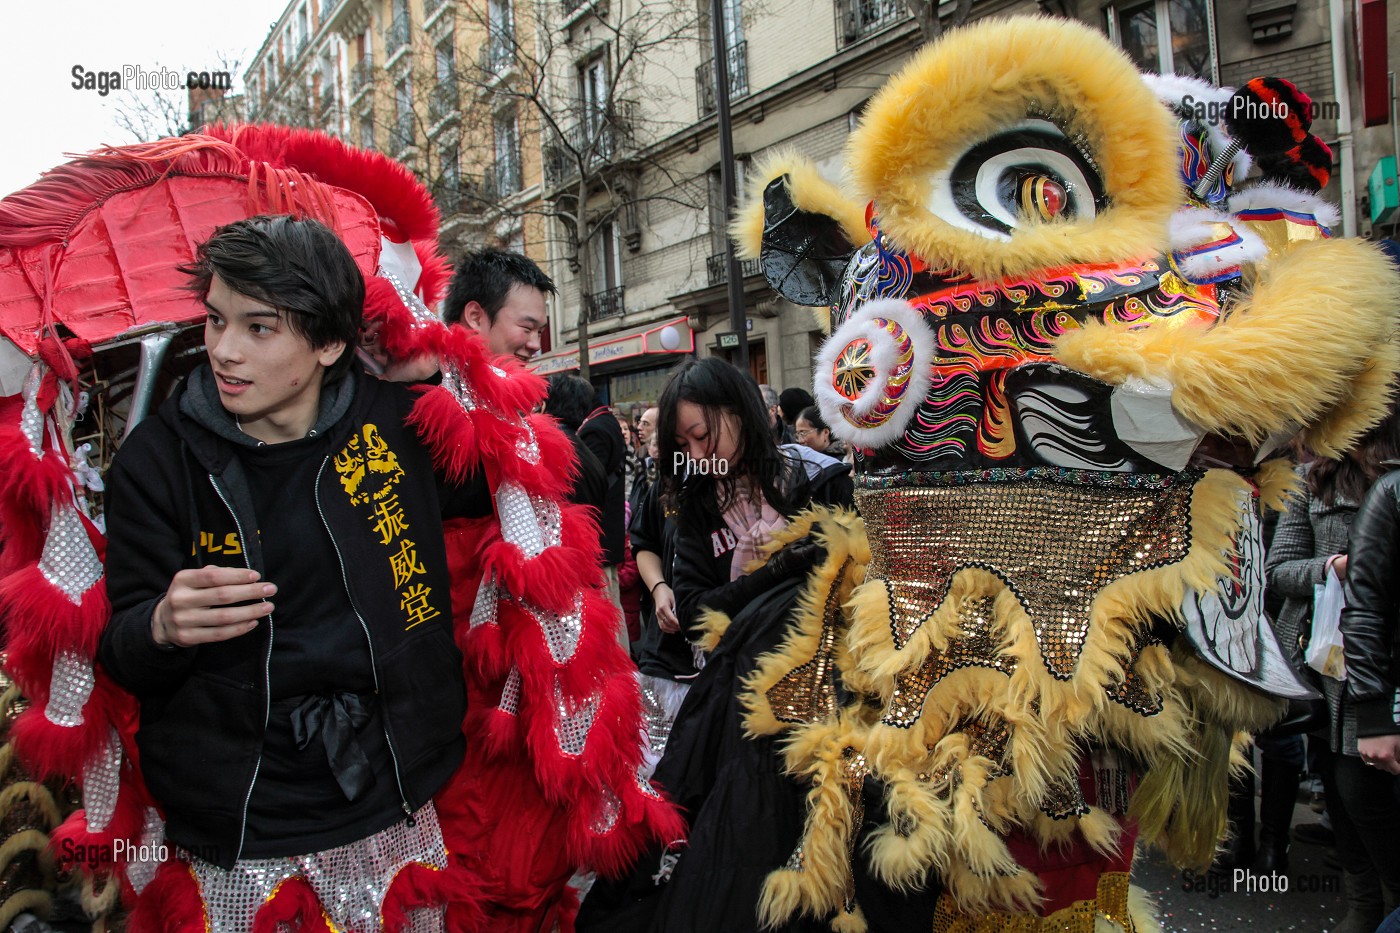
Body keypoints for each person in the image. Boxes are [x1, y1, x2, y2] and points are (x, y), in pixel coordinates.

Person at [99, 216, 490, 928]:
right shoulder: (157, 461)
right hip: (244, 821)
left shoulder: (402, 424)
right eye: (216, 320)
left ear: (329, 342)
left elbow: (539, 483)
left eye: (258, 328)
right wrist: (161, 626)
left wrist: (443, 378)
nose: (223, 350)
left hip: (394, 790)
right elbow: (121, 649)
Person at [577, 358, 853, 932]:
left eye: (702, 436)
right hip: (741, 711)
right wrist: (781, 571)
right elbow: (697, 606)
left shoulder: (815, 477)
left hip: (832, 698)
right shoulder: (695, 501)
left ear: (740, 411)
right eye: (684, 443)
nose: (698, 455)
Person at [1267, 404, 1400, 933]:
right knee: (1347, 791)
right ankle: (1364, 902)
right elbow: (1279, 572)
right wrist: (1334, 567)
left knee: (1369, 792)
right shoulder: (1311, 482)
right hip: (1332, 665)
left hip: (1386, 656)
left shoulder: (1391, 486)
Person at [442, 247, 554, 366]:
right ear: (475, 317)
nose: (536, 345)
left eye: (540, 332)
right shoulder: (429, 379)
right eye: (527, 328)